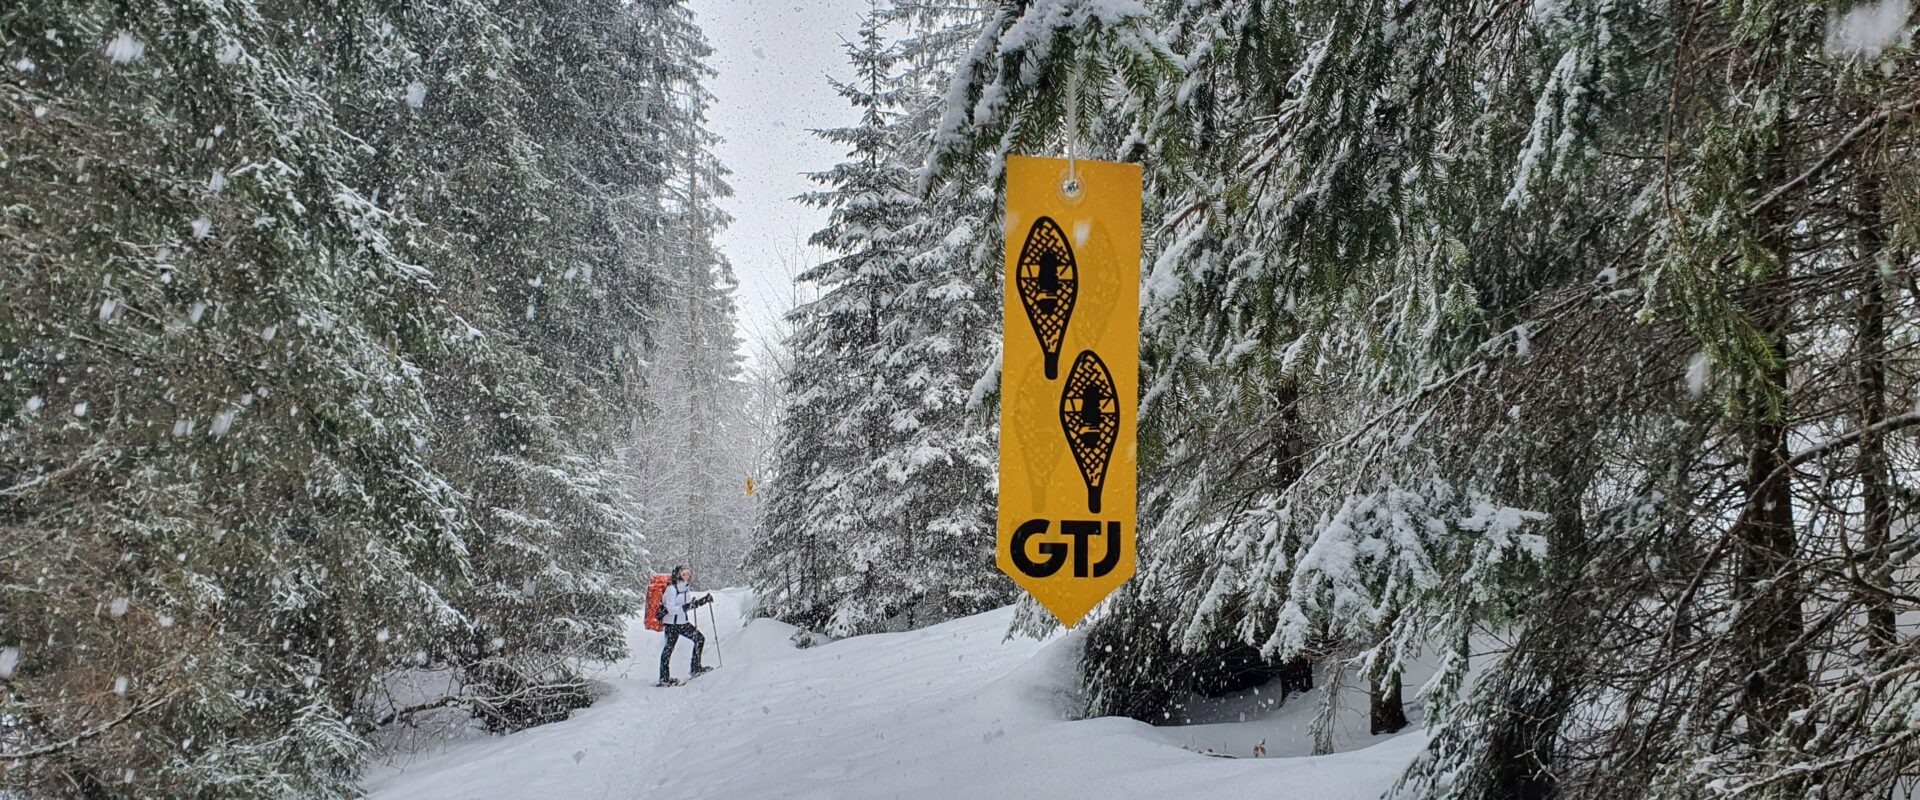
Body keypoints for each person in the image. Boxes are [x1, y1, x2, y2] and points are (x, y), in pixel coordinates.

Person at [658, 565, 714, 686]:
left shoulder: (685, 589)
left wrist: (704, 600)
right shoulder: (671, 589)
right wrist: (686, 607)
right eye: (684, 574)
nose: (686, 576)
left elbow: (688, 606)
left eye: (688, 574)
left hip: (682, 623)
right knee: (668, 650)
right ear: (678, 575)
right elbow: (671, 609)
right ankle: (664, 678)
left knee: (699, 639)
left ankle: (695, 668)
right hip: (671, 625)